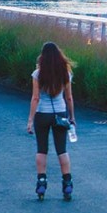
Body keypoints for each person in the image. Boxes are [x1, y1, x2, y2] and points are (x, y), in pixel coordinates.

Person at [26, 42, 76, 201]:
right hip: (60, 114)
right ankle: (67, 183)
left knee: (42, 149)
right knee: (62, 149)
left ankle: (41, 182)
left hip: (42, 114)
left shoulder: (37, 74)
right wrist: (72, 117)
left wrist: (30, 120)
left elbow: (35, 98)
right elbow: (69, 97)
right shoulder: (65, 73)